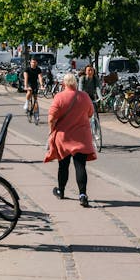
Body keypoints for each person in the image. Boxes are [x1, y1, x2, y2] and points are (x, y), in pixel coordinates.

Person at [44, 72, 97, 207]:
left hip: (64, 137)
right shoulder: (84, 96)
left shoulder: (59, 97)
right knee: (80, 166)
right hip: (81, 137)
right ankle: (83, 195)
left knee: (63, 166)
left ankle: (61, 191)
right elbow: (90, 113)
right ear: (75, 83)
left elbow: (51, 118)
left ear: (64, 84)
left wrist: (51, 131)